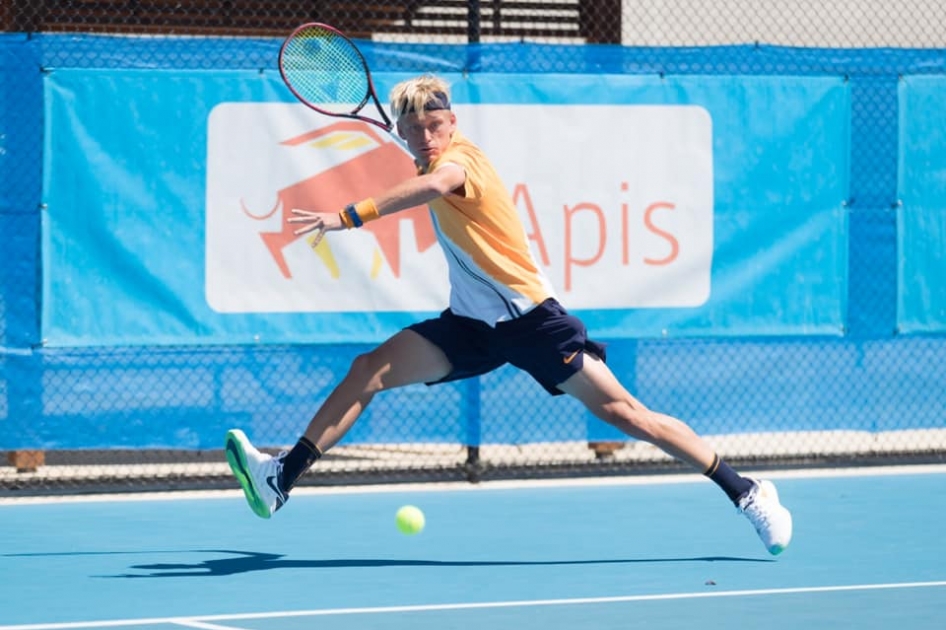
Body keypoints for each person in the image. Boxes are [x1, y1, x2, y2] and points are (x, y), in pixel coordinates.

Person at [224, 74, 793, 555]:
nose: (427, 133)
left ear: (453, 122)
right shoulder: (429, 151)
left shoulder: (461, 162)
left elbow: (433, 185)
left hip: (532, 323)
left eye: (435, 123)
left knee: (627, 415)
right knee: (368, 368)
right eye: (415, 126)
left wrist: (349, 215)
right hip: (471, 327)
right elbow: (426, 173)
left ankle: (746, 491)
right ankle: (280, 479)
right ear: (400, 129)